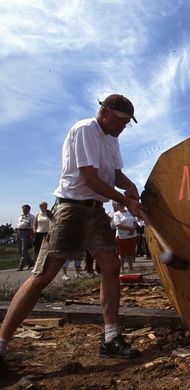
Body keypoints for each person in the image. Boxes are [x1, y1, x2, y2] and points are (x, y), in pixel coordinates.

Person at [0, 94, 143, 372]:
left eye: (127, 124)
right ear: (104, 112)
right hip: (71, 210)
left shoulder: (112, 139)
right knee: (43, 276)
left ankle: (110, 336)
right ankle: (2, 344)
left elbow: (114, 175)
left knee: (111, 267)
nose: (123, 127)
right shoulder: (85, 130)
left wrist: (132, 186)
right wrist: (126, 201)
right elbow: (90, 177)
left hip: (95, 210)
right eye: (121, 121)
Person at [113, 202, 137, 272]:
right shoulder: (117, 214)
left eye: (123, 204)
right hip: (122, 236)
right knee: (122, 254)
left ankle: (131, 268)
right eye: (119, 204)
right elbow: (118, 225)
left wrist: (134, 228)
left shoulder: (130, 211)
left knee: (130, 252)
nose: (121, 205)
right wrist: (130, 229)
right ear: (117, 206)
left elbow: (135, 221)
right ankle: (121, 268)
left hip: (132, 235)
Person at [15, 205, 35, 271]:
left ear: (29, 209)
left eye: (25, 209)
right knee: (20, 250)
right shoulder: (20, 216)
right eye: (23, 209)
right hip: (18, 232)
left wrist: (31, 236)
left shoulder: (31, 217)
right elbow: (18, 225)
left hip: (26, 232)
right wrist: (16, 234)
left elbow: (32, 227)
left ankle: (21, 266)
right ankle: (31, 262)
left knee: (24, 250)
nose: (24, 210)